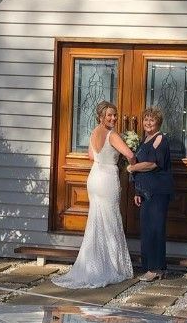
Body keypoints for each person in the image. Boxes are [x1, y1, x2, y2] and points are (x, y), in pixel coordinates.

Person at [53, 101, 136, 288]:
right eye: (109, 115)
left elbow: (91, 156)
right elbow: (130, 154)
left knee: (97, 221)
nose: (113, 118)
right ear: (101, 116)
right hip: (107, 179)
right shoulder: (112, 135)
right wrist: (130, 162)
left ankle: (94, 264)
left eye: (115, 115)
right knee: (111, 219)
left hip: (94, 177)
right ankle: (113, 266)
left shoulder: (93, 132)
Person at [127, 107, 173, 281]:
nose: (148, 123)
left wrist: (132, 167)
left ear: (158, 122)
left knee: (155, 229)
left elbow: (153, 164)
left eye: (151, 120)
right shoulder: (146, 139)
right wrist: (137, 191)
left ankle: (155, 269)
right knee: (147, 229)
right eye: (146, 119)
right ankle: (155, 268)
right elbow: (141, 163)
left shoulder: (161, 139)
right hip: (146, 191)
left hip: (158, 192)